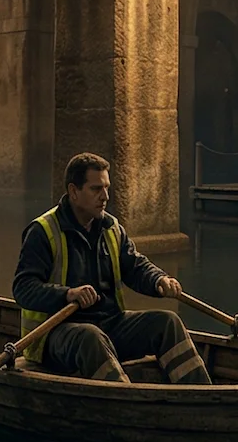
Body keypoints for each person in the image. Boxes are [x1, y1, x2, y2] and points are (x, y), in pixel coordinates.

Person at [12, 152, 212, 384]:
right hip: (55, 335)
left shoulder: (111, 228)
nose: (105, 196)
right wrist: (67, 294)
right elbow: (23, 289)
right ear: (74, 192)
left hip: (109, 324)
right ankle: (128, 402)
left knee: (168, 322)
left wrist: (159, 280)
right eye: (96, 189)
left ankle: (200, 393)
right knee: (90, 336)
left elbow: (136, 267)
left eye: (107, 187)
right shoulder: (43, 231)